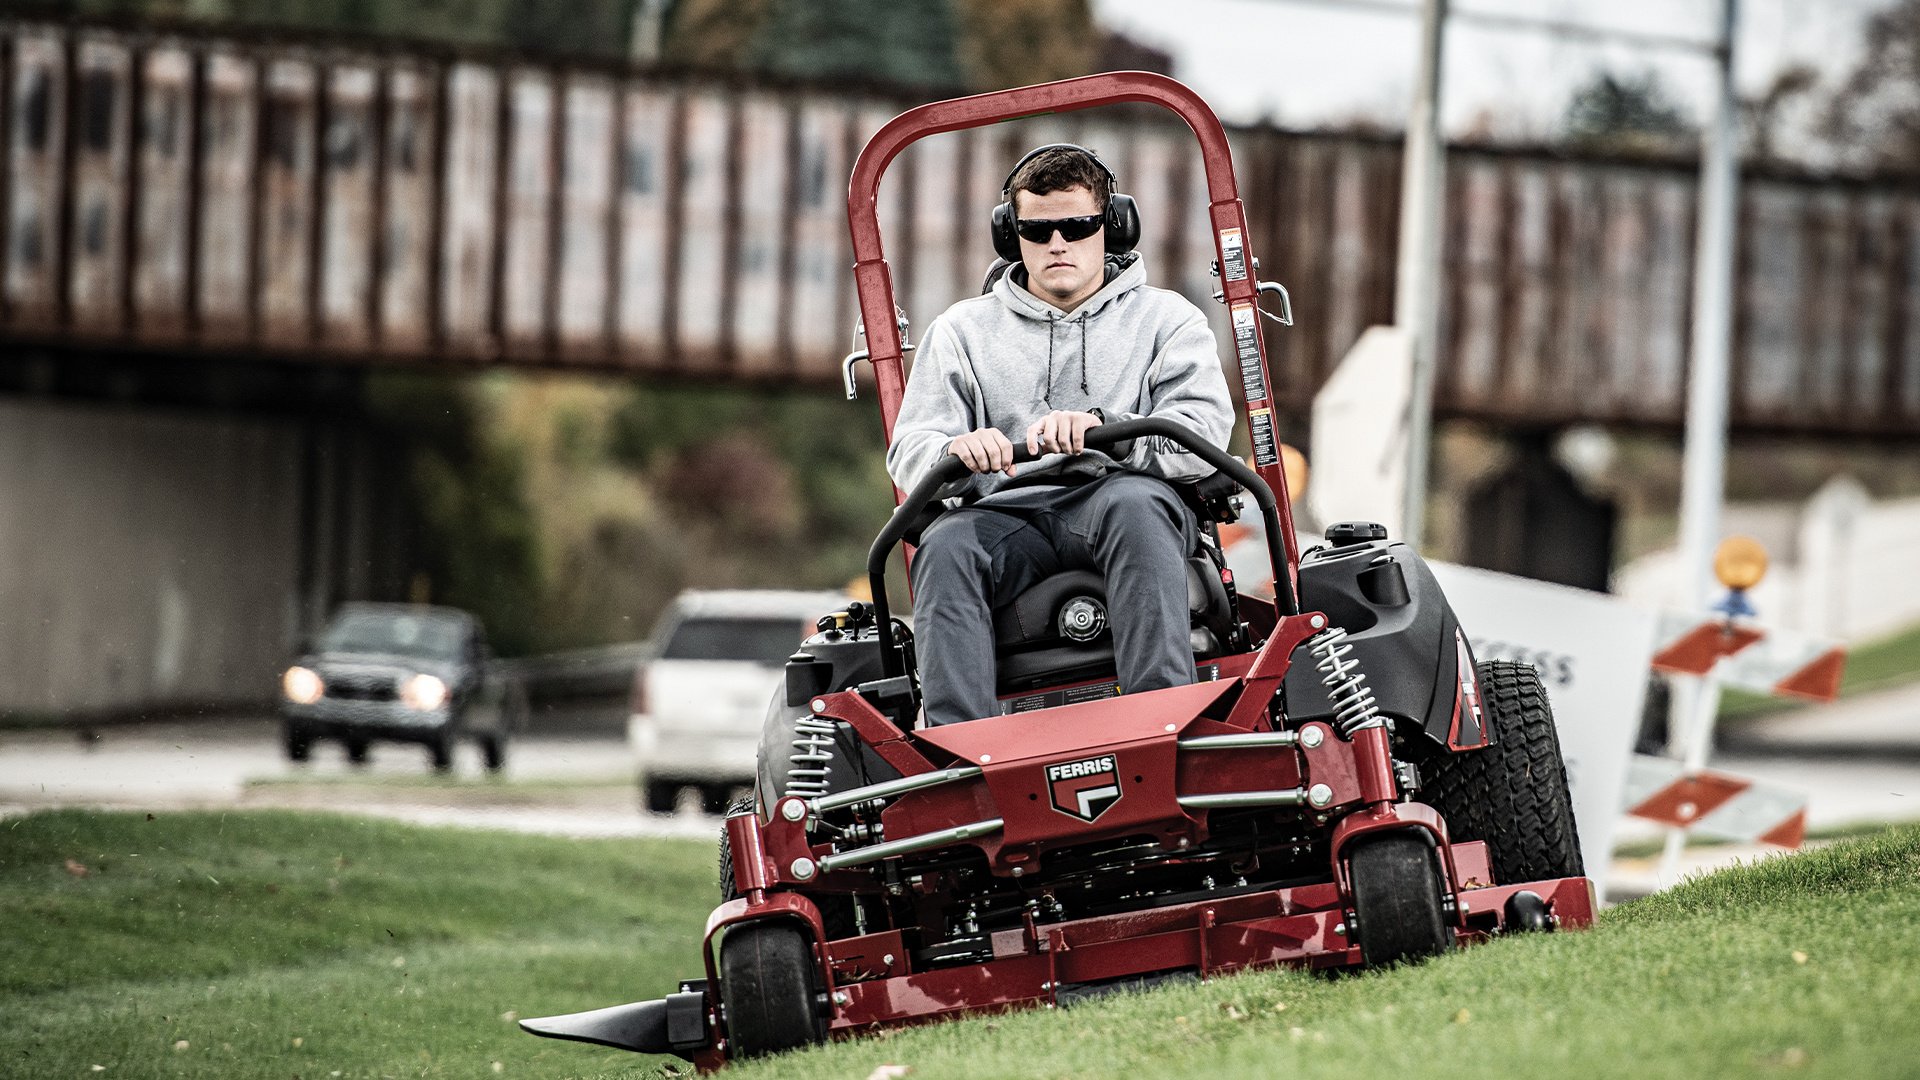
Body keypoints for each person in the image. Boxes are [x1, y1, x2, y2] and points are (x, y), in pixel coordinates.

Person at [886, 143, 1234, 727]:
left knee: (1134, 507)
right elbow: (912, 448)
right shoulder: (961, 332)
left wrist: (1112, 435)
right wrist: (958, 452)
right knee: (945, 546)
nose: (1058, 243)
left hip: (1119, 496)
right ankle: (960, 754)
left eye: (1077, 225)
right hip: (1006, 514)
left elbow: (1202, 432)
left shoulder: (1167, 320)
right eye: (1038, 229)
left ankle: (1162, 723)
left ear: (1112, 227)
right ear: (1011, 235)